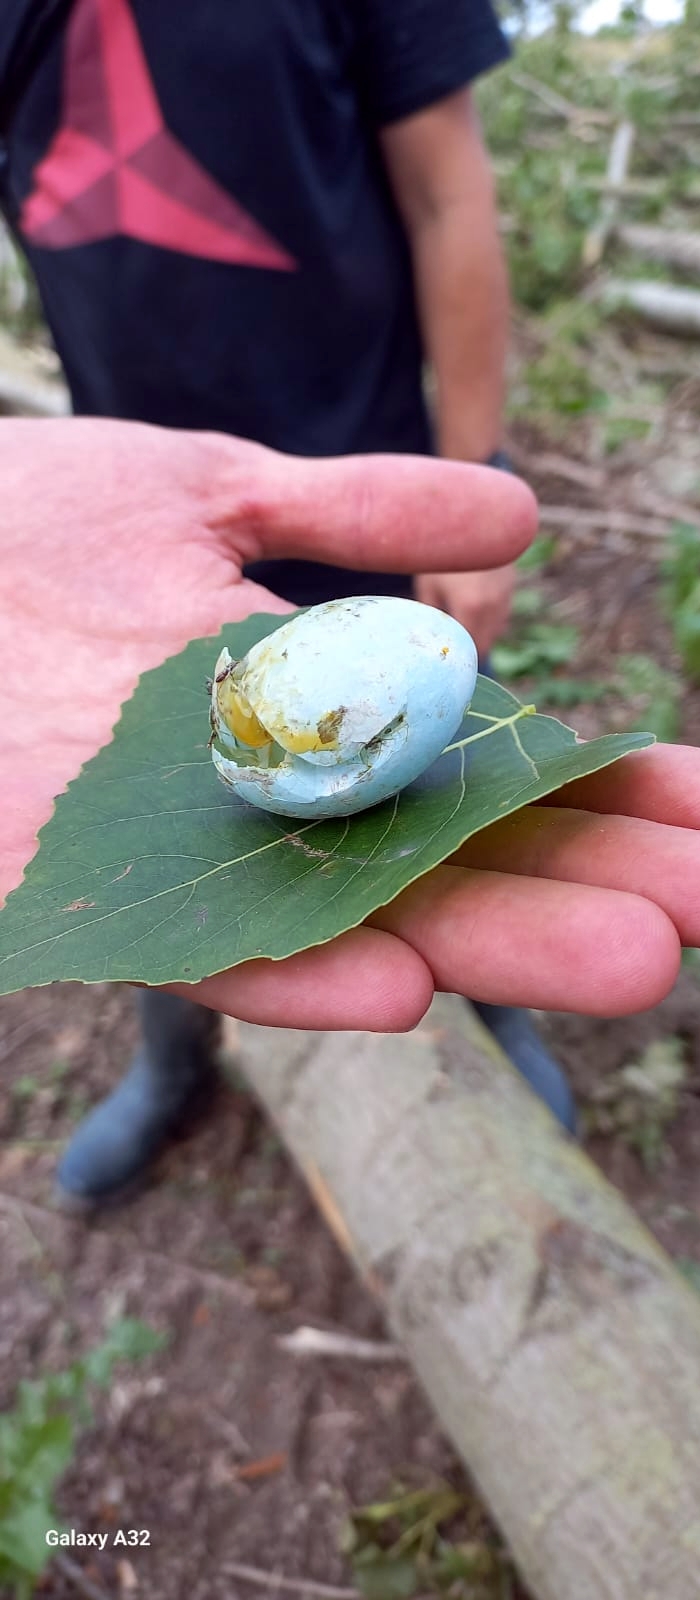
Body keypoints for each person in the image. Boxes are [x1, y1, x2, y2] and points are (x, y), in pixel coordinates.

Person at [0, 0, 627, 1192]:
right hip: (128, 520)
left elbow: (450, 190)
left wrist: (472, 475)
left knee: (437, 765)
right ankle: (175, 1053)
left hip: (361, 477)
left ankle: (492, 1008)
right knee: (160, 808)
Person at [3, 420, 700, 1046]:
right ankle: (171, 1057)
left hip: (360, 443)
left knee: (502, 895)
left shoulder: (417, 665)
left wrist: (477, 448)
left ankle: (502, 1020)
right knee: (178, 955)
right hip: (156, 496)